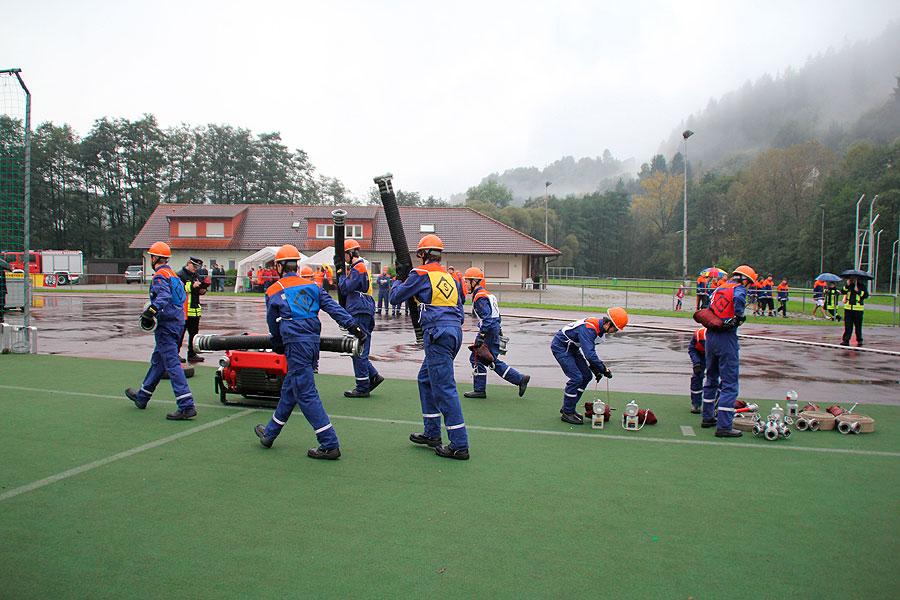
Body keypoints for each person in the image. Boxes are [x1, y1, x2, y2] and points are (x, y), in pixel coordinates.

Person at [254, 244, 366, 459]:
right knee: (291, 388)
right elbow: (333, 308)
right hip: (312, 343)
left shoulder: (274, 290)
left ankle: (329, 443)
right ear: (296, 265)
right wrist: (355, 327)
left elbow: (272, 322)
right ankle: (270, 433)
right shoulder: (313, 287)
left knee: (305, 393)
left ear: (279, 266)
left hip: (295, 344)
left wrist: (277, 343)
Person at [390, 234, 469, 460]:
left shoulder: (421, 273)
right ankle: (432, 432)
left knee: (444, 388)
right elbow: (460, 305)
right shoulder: (450, 277)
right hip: (454, 332)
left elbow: (395, 297)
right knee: (425, 379)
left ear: (423, 254)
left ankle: (459, 445)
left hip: (437, 333)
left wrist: (399, 278)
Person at [125, 242, 197, 420]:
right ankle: (142, 396)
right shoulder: (173, 275)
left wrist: (150, 312)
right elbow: (181, 298)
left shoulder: (159, 276)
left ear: (155, 258)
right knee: (158, 362)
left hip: (166, 325)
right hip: (178, 323)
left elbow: (163, 296)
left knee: (172, 364)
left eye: (151, 256)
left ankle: (186, 405)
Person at [701, 264, 755, 438]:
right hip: (726, 338)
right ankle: (724, 426)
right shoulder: (738, 289)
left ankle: (707, 416)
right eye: (749, 284)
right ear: (745, 280)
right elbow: (738, 301)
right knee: (729, 384)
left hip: (711, 336)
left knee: (711, 378)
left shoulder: (719, 288)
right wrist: (739, 316)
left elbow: (708, 306)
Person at [551, 308, 628, 424]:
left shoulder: (599, 329)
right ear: (608, 324)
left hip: (572, 348)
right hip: (561, 347)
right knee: (576, 378)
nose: (614, 332)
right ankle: (567, 412)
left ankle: (569, 407)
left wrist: (595, 370)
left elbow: (589, 351)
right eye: (615, 329)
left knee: (586, 376)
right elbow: (590, 355)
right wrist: (603, 369)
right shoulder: (589, 328)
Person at [462, 267, 529, 399]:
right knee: (488, 360)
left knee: (477, 358)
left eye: (467, 281)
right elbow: (497, 316)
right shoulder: (488, 294)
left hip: (489, 332)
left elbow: (487, 319)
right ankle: (519, 379)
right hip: (493, 331)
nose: (465, 284)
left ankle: (481, 390)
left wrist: (481, 336)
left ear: (474, 281)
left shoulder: (480, 297)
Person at [339, 240, 385, 398]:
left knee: (357, 348)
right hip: (364, 308)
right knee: (359, 347)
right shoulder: (360, 266)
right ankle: (373, 376)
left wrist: (340, 275)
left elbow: (345, 288)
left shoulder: (357, 268)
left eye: (345, 255)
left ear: (350, 253)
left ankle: (362, 386)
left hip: (359, 309)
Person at [178, 257, 207, 363]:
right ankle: (175, 354)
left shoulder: (196, 275)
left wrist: (202, 290)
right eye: (194, 266)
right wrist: (192, 286)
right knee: (180, 333)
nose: (195, 268)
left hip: (195, 309)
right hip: (184, 310)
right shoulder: (180, 275)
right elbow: (178, 289)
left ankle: (192, 354)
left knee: (194, 334)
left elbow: (198, 290)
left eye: (197, 267)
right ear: (188, 263)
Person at [841, 276, 868, 347]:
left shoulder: (862, 286)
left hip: (858, 309)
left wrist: (858, 291)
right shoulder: (848, 286)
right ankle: (846, 340)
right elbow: (842, 291)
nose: (851, 280)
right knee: (848, 326)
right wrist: (847, 285)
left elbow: (866, 295)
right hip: (848, 309)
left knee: (858, 326)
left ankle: (859, 340)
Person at [688, 327, 707, 414]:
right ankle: (696, 404)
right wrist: (696, 363)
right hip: (701, 355)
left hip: (716, 355)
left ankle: (717, 404)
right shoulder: (699, 334)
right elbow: (692, 349)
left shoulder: (721, 336)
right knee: (697, 377)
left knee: (715, 379)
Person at [0, 257, 8, 323]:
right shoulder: (2, 272)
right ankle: (1, 318)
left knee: (1, 305)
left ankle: (1, 319)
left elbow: (3, 282)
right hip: (2, 291)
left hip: (2, 291)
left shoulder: (2, 272)